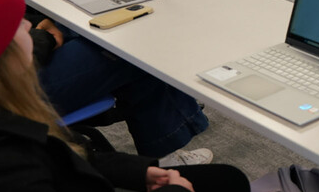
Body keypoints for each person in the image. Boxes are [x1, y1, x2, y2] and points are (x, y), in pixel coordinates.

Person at [0, 0, 288, 192]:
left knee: (229, 182)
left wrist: (139, 172)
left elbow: (63, 151)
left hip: (87, 185)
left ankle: (166, 149)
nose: (27, 26)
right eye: (16, 26)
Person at [28, 13, 211, 162]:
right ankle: (165, 159)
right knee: (135, 49)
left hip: (23, 54)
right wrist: (39, 38)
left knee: (108, 25)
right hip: (16, 83)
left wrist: (37, 21)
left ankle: (164, 154)